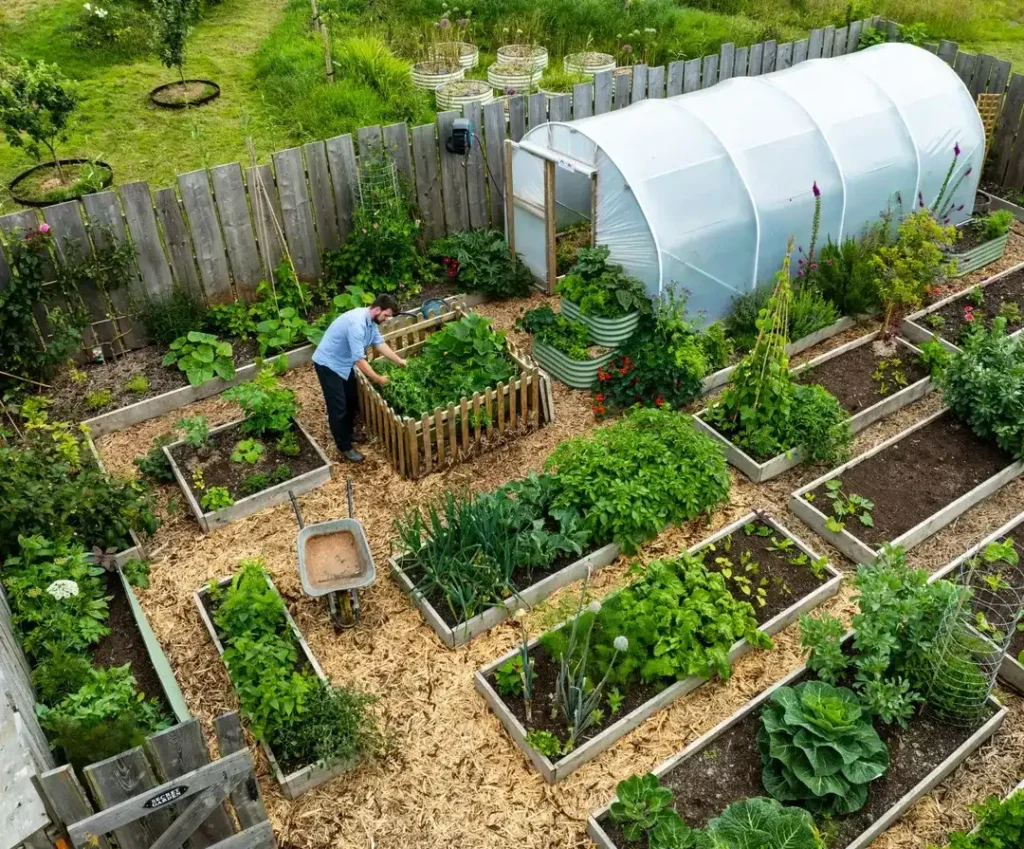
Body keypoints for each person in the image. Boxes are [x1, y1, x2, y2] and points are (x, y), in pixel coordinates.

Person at [312, 294, 407, 462]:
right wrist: (377, 379)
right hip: (328, 364)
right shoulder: (357, 324)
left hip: (343, 363)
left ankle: (348, 432)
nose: (386, 320)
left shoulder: (371, 322)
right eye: (386, 316)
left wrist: (399, 361)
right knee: (338, 406)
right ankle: (344, 447)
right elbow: (359, 359)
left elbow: (379, 344)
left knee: (351, 398)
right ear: (377, 309)